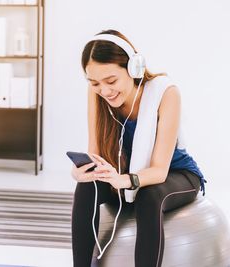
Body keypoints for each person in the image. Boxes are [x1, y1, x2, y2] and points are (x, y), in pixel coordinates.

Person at [70, 29, 206, 267]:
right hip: (124, 175)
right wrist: (82, 172)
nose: (104, 90)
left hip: (176, 174)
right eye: (95, 83)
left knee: (149, 195)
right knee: (86, 188)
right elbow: (96, 154)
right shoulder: (97, 95)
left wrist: (123, 180)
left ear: (134, 69)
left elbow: (159, 171)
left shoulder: (166, 93)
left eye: (111, 81)